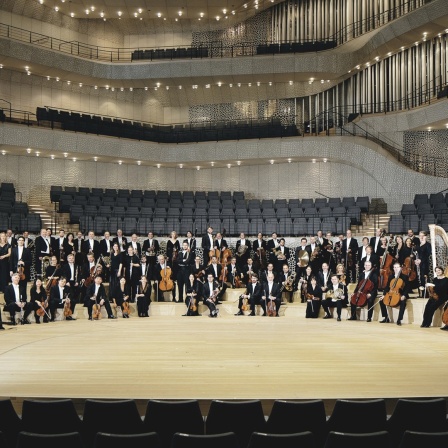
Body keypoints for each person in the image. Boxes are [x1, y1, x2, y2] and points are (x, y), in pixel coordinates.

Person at [415, 231, 431, 295]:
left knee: (423, 278)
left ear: (426, 236)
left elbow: (428, 254)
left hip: (425, 264)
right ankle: (420, 293)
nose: (421, 237)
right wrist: (415, 260)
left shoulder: (428, 245)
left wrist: (420, 260)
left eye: (423, 235)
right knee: (419, 278)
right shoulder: (418, 245)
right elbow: (416, 254)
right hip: (418, 264)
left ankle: (426, 294)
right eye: (420, 235)